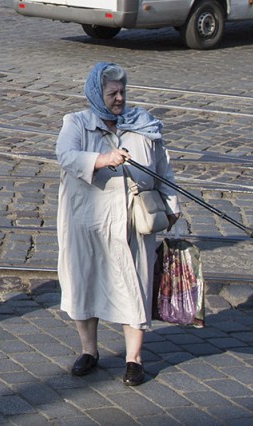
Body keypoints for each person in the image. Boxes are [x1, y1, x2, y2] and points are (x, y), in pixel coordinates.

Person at [55, 62, 180, 386]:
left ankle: (133, 359)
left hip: (130, 224)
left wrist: (171, 206)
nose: (119, 98)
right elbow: (65, 155)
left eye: (122, 92)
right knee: (84, 283)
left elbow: (163, 170)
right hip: (86, 221)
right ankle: (89, 351)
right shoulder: (77, 123)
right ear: (97, 93)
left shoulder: (144, 126)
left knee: (134, 285)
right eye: (112, 93)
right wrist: (101, 160)